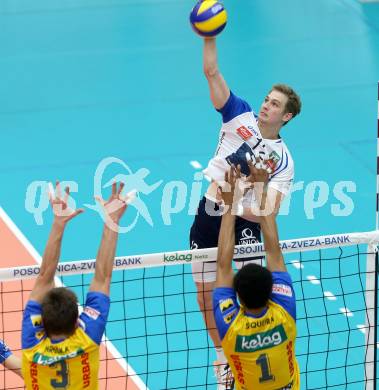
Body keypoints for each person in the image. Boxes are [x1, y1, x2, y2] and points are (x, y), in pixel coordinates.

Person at [189, 35, 301, 388]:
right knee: (206, 293)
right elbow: (211, 71)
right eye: (267, 100)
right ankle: (223, 357)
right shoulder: (239, 114)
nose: (266, 106)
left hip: (248, 222)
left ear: (287, 116)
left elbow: (270, 211)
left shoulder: (284, 161)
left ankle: (257, 348)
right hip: (211, 212)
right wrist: (209, 36)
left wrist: (246, 192)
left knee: (256, 285)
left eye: (274, 104)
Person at [21, 181, 130, 389]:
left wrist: (58, 223)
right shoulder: (87, 339)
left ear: (42, 321)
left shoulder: (32, 344)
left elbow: (44, 276)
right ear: (76, 323)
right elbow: (102, 276)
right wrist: (111, 220)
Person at [213, 162, 299, 389]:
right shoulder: (284, 312)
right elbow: (273, 250)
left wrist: (229, 205)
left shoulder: (232, 328)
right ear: (272, 291)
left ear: (238, 298)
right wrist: (262, 190)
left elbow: (222, 265)